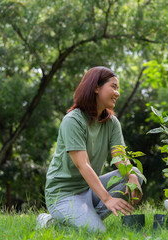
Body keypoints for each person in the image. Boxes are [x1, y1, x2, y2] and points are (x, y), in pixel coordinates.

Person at [36, 66, 143, 232]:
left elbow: (119, 156)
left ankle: (80, 218)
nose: (117, 93)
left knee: (134, 175)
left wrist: (132, 176)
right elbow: (83, 165)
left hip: (88, 189)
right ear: (96, 87)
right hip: (62, 195)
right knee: (97, 232)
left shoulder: (112, 123)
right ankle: (52, 220)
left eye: (118, 88)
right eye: (113, 87)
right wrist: (107, 199)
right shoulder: (72, 121)